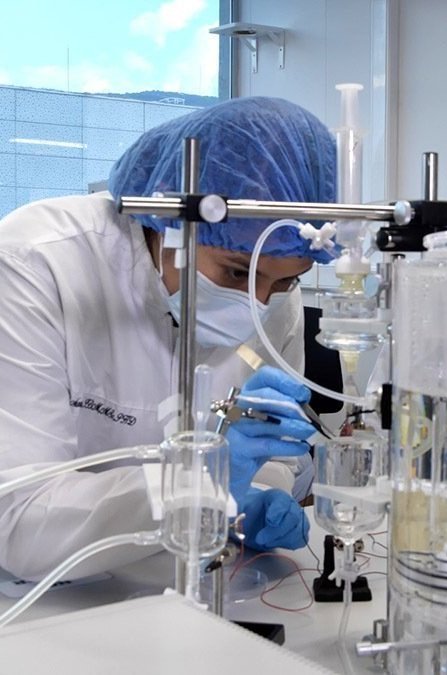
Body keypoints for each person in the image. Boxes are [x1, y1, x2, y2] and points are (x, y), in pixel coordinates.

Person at [0, 96, 337, 581]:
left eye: (284, 281)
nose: (258, 303)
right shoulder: (38, 264)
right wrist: (197, 481)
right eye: (238, 271)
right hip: (35, 605)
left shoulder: (276, 303)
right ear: (173, 225)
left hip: (179, 588)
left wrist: (254, 497)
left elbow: (277, 455)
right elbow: (19, 524)